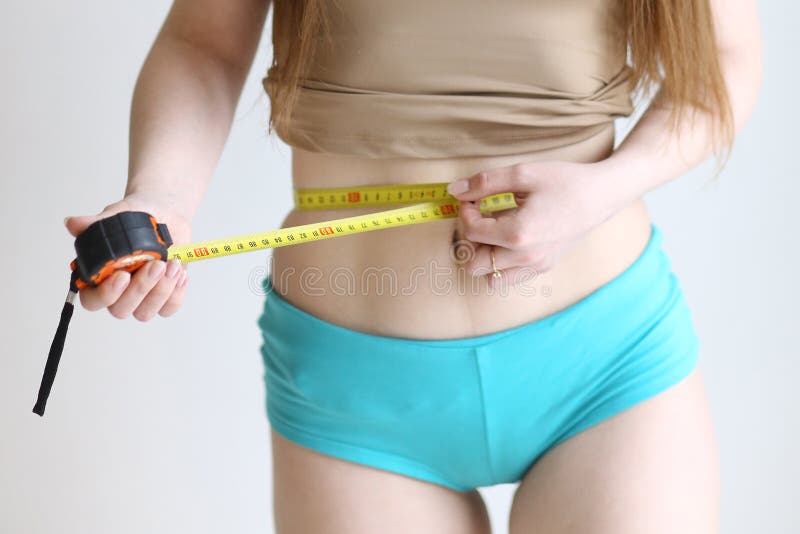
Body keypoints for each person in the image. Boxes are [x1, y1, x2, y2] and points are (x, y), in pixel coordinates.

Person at [64, 0, 762, 532]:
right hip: (355, 399)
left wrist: (609, 185)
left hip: (604, 370)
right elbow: (203, 43)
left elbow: (727, 59)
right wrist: (159, 198)